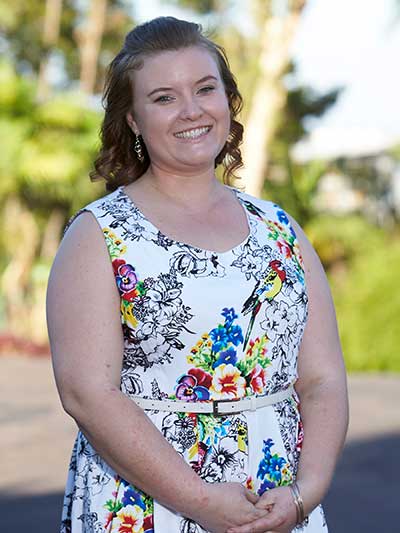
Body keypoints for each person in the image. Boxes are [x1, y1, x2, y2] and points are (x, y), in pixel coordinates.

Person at [47, 16, 348, 533]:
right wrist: (202, 502)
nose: (191, 110)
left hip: (276, 504)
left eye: (205, 89)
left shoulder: (280, 229)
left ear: (226, 100)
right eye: (164, 97)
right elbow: (88, 395)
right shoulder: (100, 234)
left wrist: (305, 494)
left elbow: (322, 380)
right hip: (147, 506)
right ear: (134, 119)